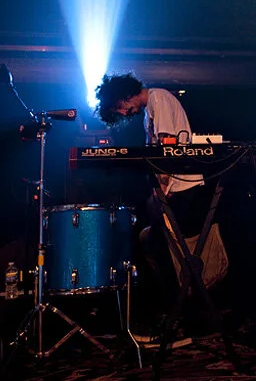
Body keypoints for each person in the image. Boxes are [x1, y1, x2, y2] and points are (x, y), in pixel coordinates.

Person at [94, 73, 228, 331]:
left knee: (157, 242)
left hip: (184, 187)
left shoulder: (159, 99)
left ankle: (178, 308)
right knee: (153, 241)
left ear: (125, 95)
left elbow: (166, 150)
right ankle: (179, 306)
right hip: (178, 188)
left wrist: (162, 190)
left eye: (120, 106)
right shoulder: (150, 109)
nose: (123, 113)